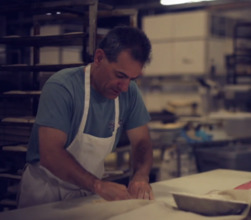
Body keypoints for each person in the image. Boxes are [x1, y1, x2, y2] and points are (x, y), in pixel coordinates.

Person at [18, 26, 154, 208]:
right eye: (120, 75)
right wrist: (98, 185)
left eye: (132, 79)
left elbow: (142, 142)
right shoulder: (62, 87)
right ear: (99, 58)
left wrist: (140, 176)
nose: (124, 87)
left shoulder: (129, 92)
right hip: (46, 194)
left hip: (88, 194)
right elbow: (50, 154)